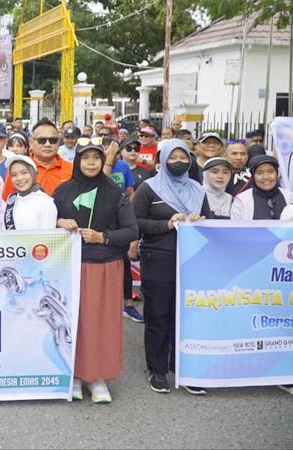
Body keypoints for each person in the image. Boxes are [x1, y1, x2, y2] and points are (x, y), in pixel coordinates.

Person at [53, 142, 138, 403]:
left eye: (96, 158)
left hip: (104, 267)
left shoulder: (114, 193)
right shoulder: (63, 191)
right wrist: (57, 221)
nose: (91, 163)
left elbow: (132, 231)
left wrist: (104, 237)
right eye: (85, 158)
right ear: (77, 161)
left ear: (103, 162)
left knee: (100, 323)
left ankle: (98, 377)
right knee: (74, 322)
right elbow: (44, 220)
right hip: (70, 267)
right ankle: (75, 374)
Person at [132, 139, 212, 395]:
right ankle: (157, 370)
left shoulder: (198, 190)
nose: (178, 162)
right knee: (158, 315)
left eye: (183, 157)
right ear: (163, 159)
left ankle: (184, 369)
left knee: (187, 316)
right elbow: (134, 222)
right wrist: (165, 224)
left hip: (193, 261)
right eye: (173, 157)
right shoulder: (149, 189)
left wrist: (199, 220)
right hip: (158, 259)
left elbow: (209, 223)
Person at [1, 118, 73, 199]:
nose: (47, 144)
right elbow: (7, 201)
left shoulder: (71, 170)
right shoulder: (17, 169)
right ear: (31, 143)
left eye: (53, 140)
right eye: (42, 140)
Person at [230, 155, 293, 221]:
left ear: (277, 174)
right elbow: (236, 229)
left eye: (270, 172)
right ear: (253, 176)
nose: (266, 177)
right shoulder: (242, 200)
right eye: (259, 173)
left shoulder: (289, 196)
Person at [3, 155, 57, 230]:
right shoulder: (11, 199)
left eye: (24, 173)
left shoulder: (45, 202)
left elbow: (47, 238)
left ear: (33, 173)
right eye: (14, 175)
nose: (19, 178)